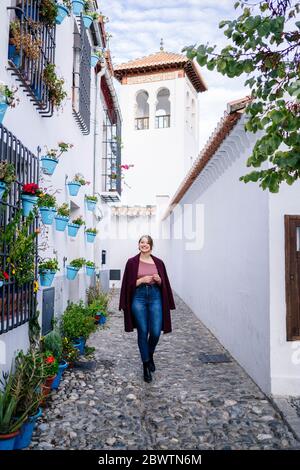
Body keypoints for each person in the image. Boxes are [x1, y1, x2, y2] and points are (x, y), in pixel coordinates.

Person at [119, 235, 176, 383]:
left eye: (147, 243)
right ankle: (145, 365)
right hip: (138, 298)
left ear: (151, 246)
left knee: (156, 332)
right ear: (138, 245)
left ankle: (149, 354)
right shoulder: (131, 262)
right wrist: (140, 280)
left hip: (155, 296)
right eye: (142, 242)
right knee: (143, 331)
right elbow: (127, 284)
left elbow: (164, 283)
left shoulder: (159, 262)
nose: (144, 245)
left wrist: (159, 280)